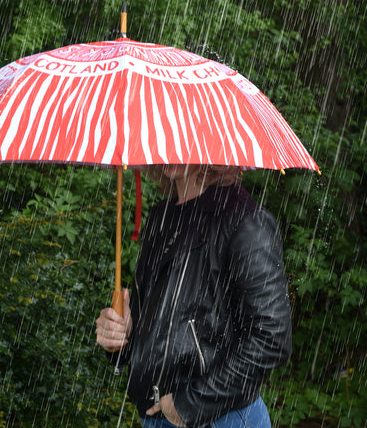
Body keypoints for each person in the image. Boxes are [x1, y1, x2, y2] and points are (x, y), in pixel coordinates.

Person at [96, 164, 292, 428]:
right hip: (156, 416)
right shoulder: (160, 218)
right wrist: (121, 336)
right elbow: (157, 327)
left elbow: (272, 337)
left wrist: (192, 403)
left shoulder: (246, 220)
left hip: (220, 419)